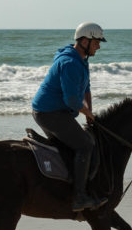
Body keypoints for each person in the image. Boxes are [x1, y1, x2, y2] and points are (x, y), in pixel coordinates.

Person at [32, 22, 108, 211]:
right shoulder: (70, 63)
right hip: (49, 113)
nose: (99, 46)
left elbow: (86, 88)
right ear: (84, 40)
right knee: (85, 145)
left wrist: (90, 112)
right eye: (96, 42)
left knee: (74, 145)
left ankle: (70, 187)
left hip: (56, 111)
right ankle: (79, 198)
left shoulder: (81, 59)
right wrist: (87, 113)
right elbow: (73, 100)